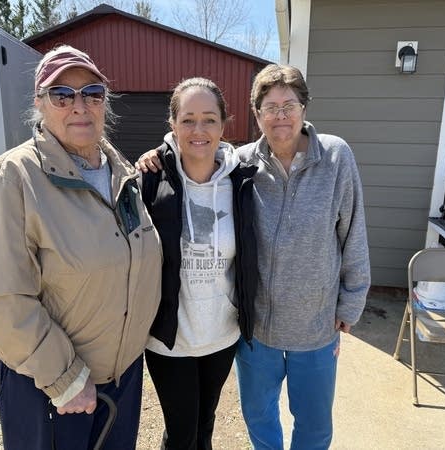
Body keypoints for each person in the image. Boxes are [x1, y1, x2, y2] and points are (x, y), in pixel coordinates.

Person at [136, 64, 370, 449]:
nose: (281, 116)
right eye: (270, 107)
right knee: (258, 417)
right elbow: (191, 149)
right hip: (255, 327)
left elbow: (353, 232)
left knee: (313, 424)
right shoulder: (243, 166)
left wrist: (352, 301)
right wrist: (156, 155)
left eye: (289, 105)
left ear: (305, 108)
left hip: (314, 323)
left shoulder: (334, 157)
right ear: (256, 115)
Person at [0, 45, 162, 450]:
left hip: (121, 379)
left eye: (92, 93)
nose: (79, 106)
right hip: (52, 390)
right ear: (40, 103)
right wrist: (65, 379)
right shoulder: (13, 178)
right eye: (62, 94)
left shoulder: (120, 173)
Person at [137, 77, 257, 450]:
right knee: (181, 431)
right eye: (188, 120)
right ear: (172, 125)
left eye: (209, 119)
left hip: (221, 334)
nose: (199, 130)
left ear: (224, 125)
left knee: (206, 424)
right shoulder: (149, 180)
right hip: (170, 338)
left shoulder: (242, 181)